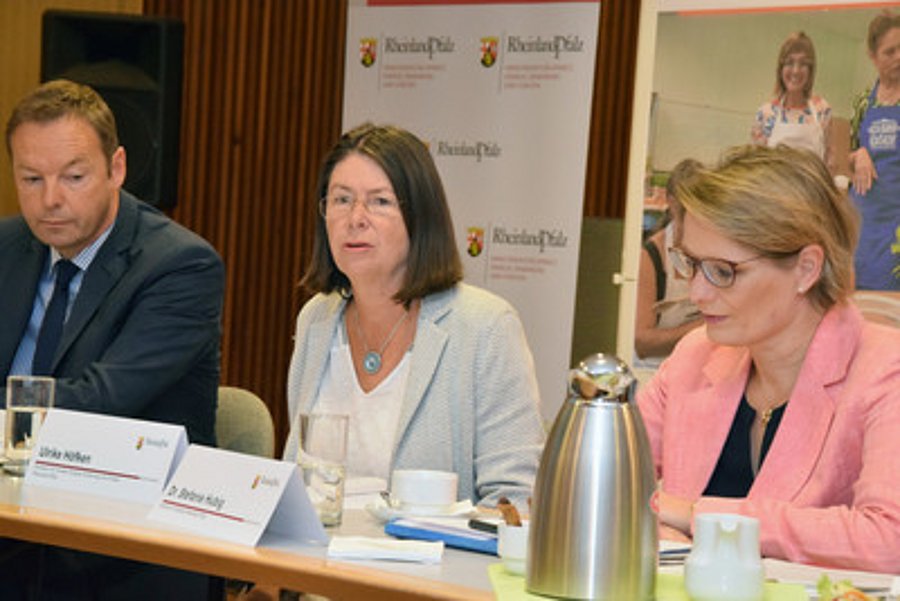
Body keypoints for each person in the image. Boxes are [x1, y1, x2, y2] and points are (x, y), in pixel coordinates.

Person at [0, 80, 224, 598]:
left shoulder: (180, 266)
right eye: (30, 178)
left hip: (126, 548)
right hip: (17, 528)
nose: (50, 200)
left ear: (116, 169)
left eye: (73, 177)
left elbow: (97, 402)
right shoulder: (8, 248)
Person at [638, 144, 900, 573]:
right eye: (691, 264)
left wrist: (699, 516)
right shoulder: (693, 357)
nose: (698, 293)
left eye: (723, 271)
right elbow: (598, 486)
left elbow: (889, 539)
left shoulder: (885, 370)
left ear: (806, 268)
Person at [281, 123, 545, 508]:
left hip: (431, 564)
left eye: (380, 202)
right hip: (319, 559)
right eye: (340, 200)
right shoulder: (316, 320)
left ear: (420, 217)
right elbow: (302, 482)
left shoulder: (485, 327)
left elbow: (514, 500)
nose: (356, 218)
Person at [849, 11, 900, 291]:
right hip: (864, 219)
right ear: (873, 56)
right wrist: (859, 154)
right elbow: (847, 157)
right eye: (889, 51)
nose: (898, 57)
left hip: (896, 219)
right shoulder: (862, 103)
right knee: (857, 293)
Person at [634, 158, 703, 364]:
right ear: (672, 203)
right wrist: (702, 328)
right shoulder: (651, 256)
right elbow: (642, 342)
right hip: (654, 370)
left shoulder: (716, 249)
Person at [751, 32, 832, 165]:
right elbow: (755, 168)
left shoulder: (822, 110)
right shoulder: (765, 114)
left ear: (811, 70)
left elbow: (829, 162)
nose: (796, 71)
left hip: (812, 186)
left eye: (803, 64)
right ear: (781, 68)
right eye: (789, 63)